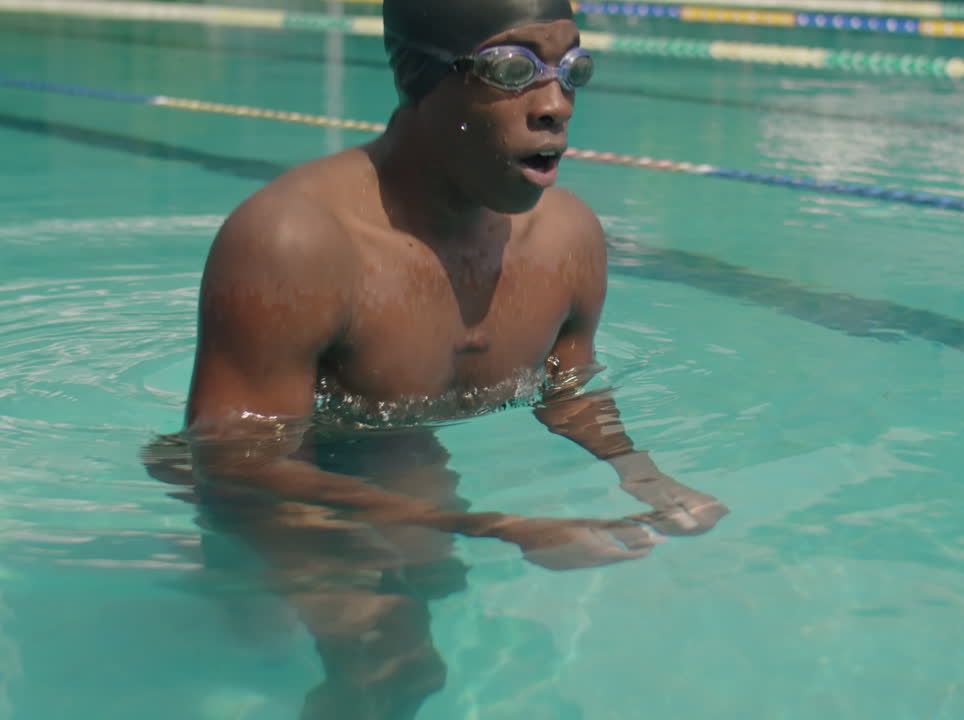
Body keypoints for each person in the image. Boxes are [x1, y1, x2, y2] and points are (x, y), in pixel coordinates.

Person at [141, 0, 727, 717]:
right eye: (513, 69)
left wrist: (644, 476)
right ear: (421, 77)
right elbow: (237, 460)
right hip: (259, 472)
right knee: (382, 654)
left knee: (431, 582)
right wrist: (504, 527)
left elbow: (567, 386)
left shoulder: (569, 240)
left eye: (572, 68)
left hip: (389, 442)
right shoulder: (296, 240)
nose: (555, 105)